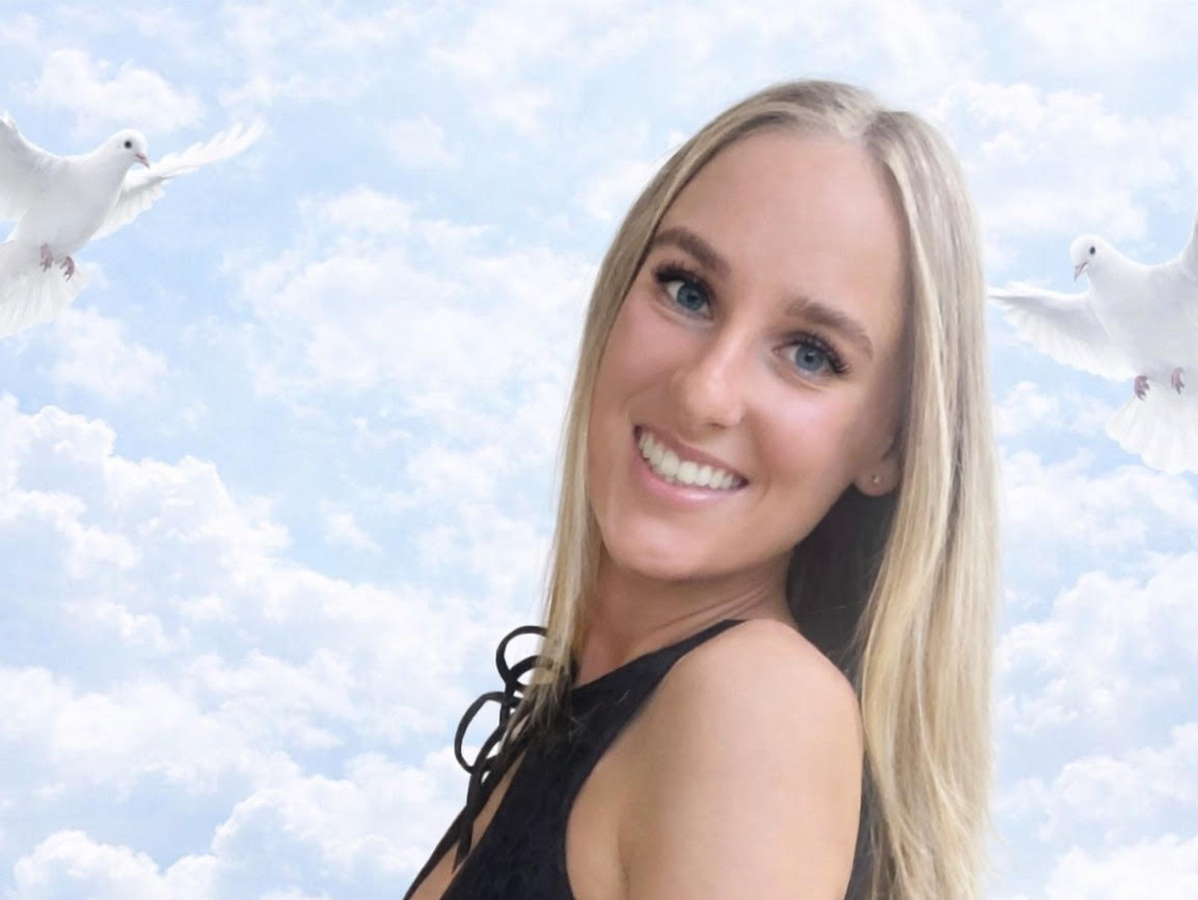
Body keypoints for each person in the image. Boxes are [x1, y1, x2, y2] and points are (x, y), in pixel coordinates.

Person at [402, 79, 999, 900]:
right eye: (688, 291)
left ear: (891, 445)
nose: (704, 393)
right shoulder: (584, 718)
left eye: (811, 354)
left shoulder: (756, 708)